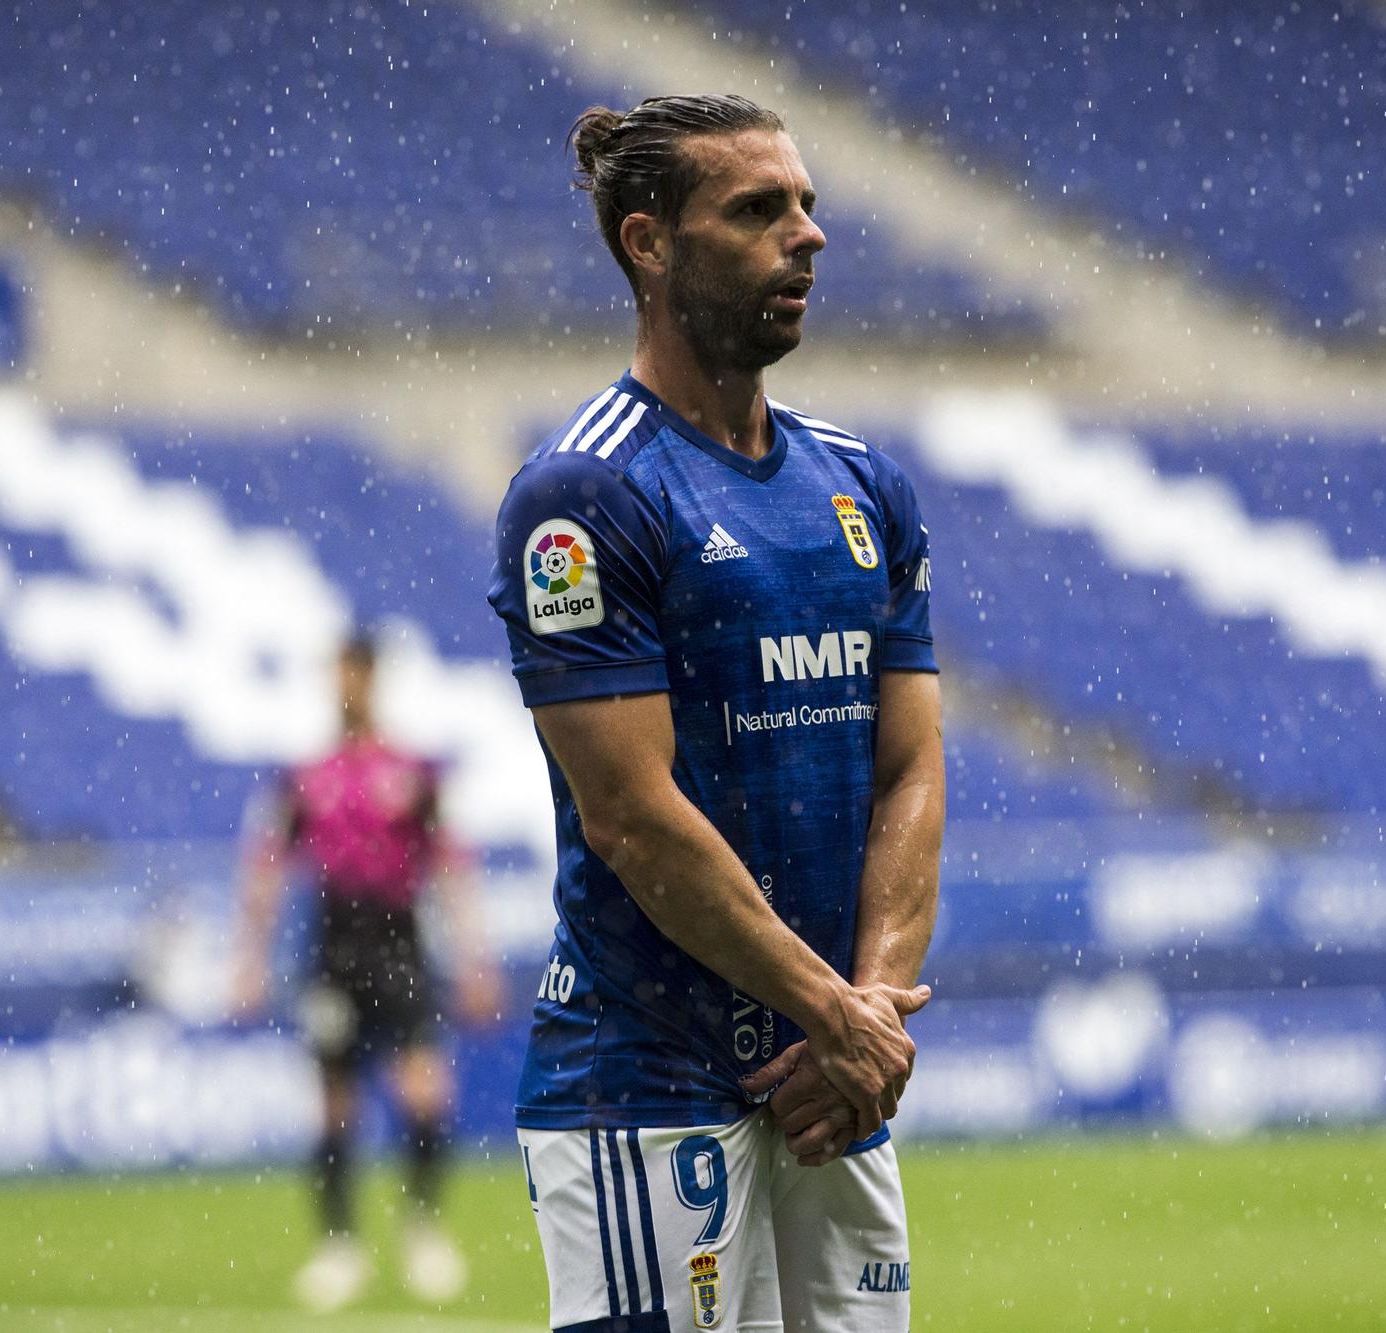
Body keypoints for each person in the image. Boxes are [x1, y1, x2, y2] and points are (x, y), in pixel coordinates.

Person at [487, 95, 944, 1330]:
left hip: (830, 1083)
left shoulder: (862, 484)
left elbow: (908, 769)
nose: (807, 236)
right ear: (649, 243)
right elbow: (633, 818)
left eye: (806, 206)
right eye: (758, 211)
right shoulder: (584, 495)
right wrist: (834, 1018)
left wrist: (870, 1019)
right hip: (652, 1083)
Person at [231, 632, 497, 1310]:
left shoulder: (411, 772)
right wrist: (250, 960)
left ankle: (423, 1230)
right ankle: (340, 1245)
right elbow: (265, 867)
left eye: (355, 673)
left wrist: (474, 959)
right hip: (334, 947)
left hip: (400, 943)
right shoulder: (305, 776)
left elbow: (450, 865)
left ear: (373, 679)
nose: (345, 685)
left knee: (425, 1095)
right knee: (336, 1106)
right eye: (338, 674)